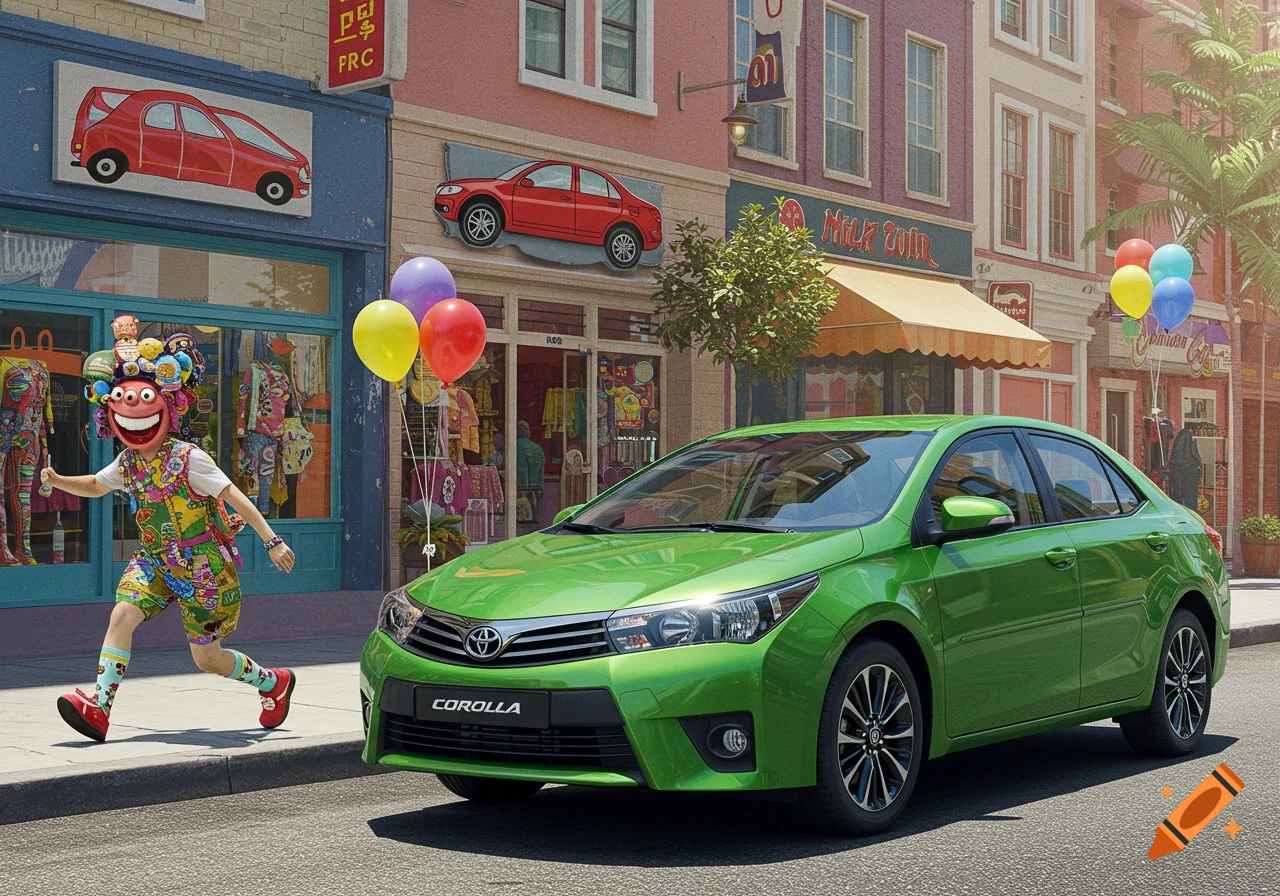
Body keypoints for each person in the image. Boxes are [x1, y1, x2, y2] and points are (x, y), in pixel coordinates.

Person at [41, 325, 298, 742]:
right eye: (122, 403)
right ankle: (99, 709)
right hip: (155, 560)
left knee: (207, 659)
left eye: (144, 401)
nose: (133, 413)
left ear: (167, 407)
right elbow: (95, 485)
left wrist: (271, 540)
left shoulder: (189, 458)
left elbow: (233, 495)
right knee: (122, 613)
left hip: (203, 568)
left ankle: (273, 683)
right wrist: (58, 478)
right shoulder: (128, 463)